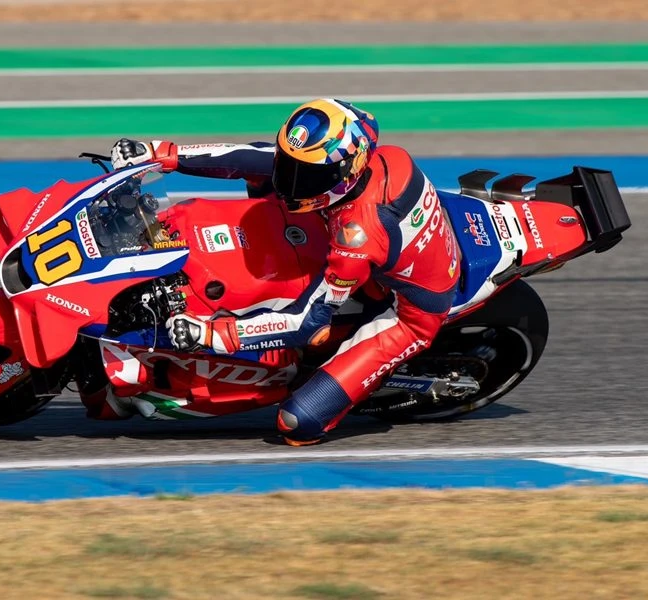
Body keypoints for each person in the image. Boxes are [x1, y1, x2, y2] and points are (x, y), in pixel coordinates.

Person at [109, 98, 460, 445]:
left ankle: (327, 380)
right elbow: (250, 156)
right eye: (290, 164)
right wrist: (159, 154)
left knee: (296, 423)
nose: (291, 181)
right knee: (265, 175)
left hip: (407, 314)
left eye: (306, 175)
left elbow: (309, 322)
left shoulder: (357, 236)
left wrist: (212, 334)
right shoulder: (347, 167)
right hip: (376, 248)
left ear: (348, 170)